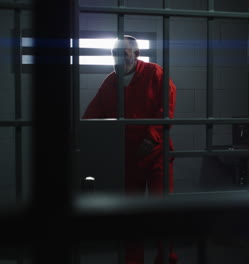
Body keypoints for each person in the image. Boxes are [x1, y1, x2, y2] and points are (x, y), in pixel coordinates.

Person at [82, 35, 178, 264]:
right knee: (130, 217)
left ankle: (167, 258)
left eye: (123, 54)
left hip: (157, 155)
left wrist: (152, 136)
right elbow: (90, 118)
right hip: (128, 158)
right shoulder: (110, 83)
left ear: (136, 55)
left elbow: (167, 107)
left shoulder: (155, 73)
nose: (117, 59)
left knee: (161, 213)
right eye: (113, 53)